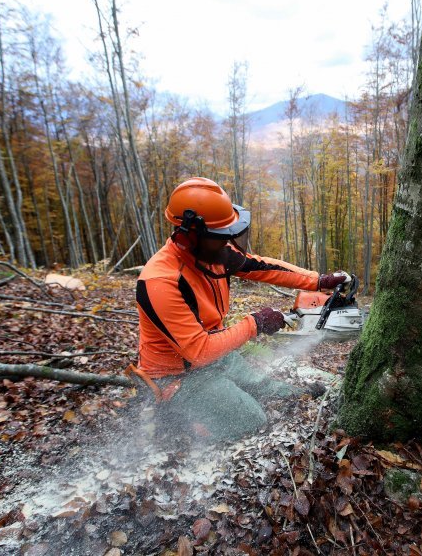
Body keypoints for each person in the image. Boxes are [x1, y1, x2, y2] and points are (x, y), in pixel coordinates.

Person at [129, 177, 351, 442]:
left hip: (216, 353)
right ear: (190, 235)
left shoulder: (211, 253)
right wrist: (255, 323)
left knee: (264, 386)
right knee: (250, 420)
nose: (227, 244)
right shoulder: (160, 281)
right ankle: (178, 423)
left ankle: (226, 400)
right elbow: (198, 351)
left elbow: (263, 267)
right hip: (177, 375)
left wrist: (319, 281)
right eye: (220, 237)